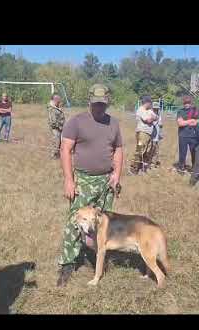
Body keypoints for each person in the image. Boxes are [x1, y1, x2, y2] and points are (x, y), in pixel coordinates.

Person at [56, 84, 123, 287]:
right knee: (75, 221)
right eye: (95, 104)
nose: (99, 108)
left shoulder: (114, 123)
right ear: (89, 101)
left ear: (107, 102)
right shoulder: (76, 122)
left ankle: (96, 256)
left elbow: (118, 149)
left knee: (102, 223)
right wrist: (69, 180)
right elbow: (65, 149)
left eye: (102, 105)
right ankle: (67, 263)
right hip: (83, 181)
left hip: (106, 181)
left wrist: (117, 174)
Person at [129, 96, 156, 175]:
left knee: (146, 151)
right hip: (142, 133)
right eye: (150, 103)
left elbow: (156, 117)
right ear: (147, 103)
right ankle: (133, 169)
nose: (151, 105)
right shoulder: (141, 110)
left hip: (148, 134)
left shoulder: (149, 110)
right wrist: (152, 118)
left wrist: (153, 117)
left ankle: (142, 168)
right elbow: (147, 120)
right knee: (140, 150)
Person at [176, 96, 199, 174]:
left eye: (188, 103)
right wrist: (191, 120)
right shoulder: (180, 111)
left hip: (193, 136)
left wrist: (185, 121)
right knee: (182, 153)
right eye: (185, 103)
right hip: (182, 135)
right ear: (183, 103)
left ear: (190, 103)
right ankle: (181, 167)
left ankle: (194, 168)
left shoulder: (195, 111)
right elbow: (180, 123)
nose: (187, 104)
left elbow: (196, 122)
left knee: (194, 152)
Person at [47, 94, 66, 159]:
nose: (59, 100)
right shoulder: (52, 109)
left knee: (59, 142)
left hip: (59, 128)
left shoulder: (56, 107)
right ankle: (53, 156)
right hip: (55, 128)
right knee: (56, 141)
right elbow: (53, 121)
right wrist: (60, 126)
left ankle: (57, 155)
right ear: (54, 99)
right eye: (57, 99)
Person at [149, 101, 163, 169]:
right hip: (151, 136)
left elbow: (160, 124)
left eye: (157, 108)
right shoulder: (150, 114)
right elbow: (151, 124)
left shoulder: (159, 114)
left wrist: (160, 125)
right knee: (151, 149)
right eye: (155, 108)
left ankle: (154, 163)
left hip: (157, 136)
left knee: (156, 150)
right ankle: (149, 162)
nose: (156, 110)